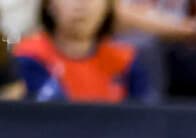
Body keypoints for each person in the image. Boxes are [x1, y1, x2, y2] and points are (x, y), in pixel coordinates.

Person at [13, 0, 152, 100]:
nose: (82, 4)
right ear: (49, 4)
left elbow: (147, 117)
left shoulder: (125, 60)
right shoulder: (28, 58)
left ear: (108, 7)